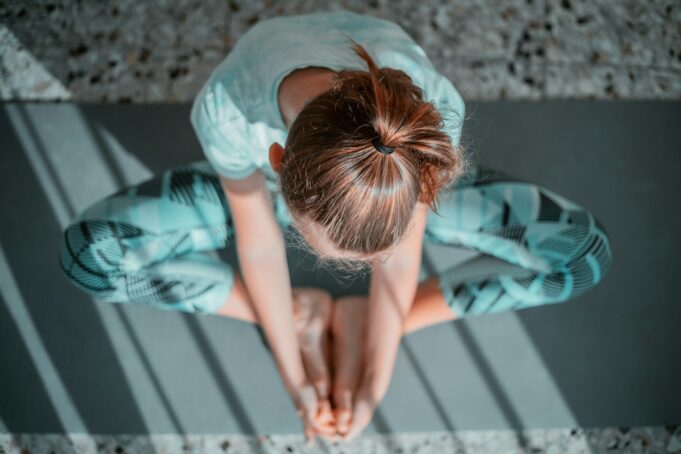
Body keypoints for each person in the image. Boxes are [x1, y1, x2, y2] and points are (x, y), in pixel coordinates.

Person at [58, 10, 613, 444]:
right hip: (270, 190)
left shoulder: (423, 119)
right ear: (275, 159)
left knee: (583, 254)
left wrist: (376, 377)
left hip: (392, 184)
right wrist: (295, 377)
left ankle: (365, 318)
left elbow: (403, 253)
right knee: (88, 256)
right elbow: (261, 245)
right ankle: (298, 312)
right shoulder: (228, 109)